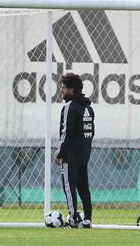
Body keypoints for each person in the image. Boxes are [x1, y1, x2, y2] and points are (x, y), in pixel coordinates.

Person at [54, 73, 94, 229]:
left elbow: (66, 133)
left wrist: (60, 154)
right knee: (84, 187)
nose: (61, 91)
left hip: (71, 155)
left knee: (69, 187)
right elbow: (91, 132)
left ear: (72, 89)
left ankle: (73, 219)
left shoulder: (69, 107)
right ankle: (87, 219)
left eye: (63, 88)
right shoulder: (88, 108)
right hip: (84, 154)